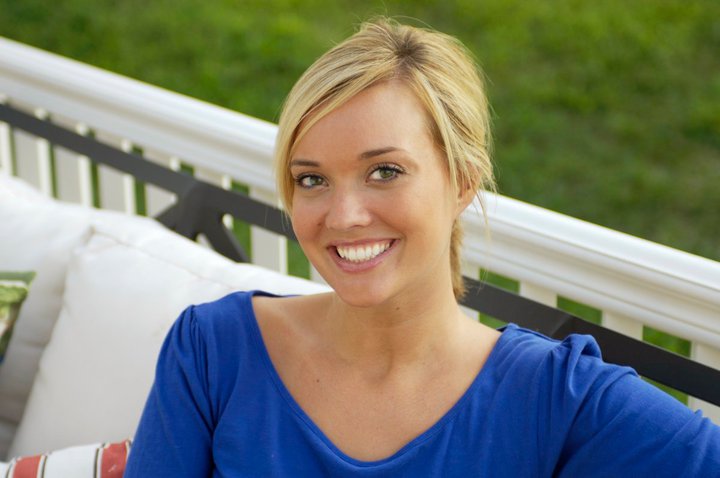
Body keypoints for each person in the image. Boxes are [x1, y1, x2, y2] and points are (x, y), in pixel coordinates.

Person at [124, 18, 720, 477]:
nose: (344, 216)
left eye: (384, 171)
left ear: (462, 181)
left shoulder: (557, 399)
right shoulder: (211, 352)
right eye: (311, 179)